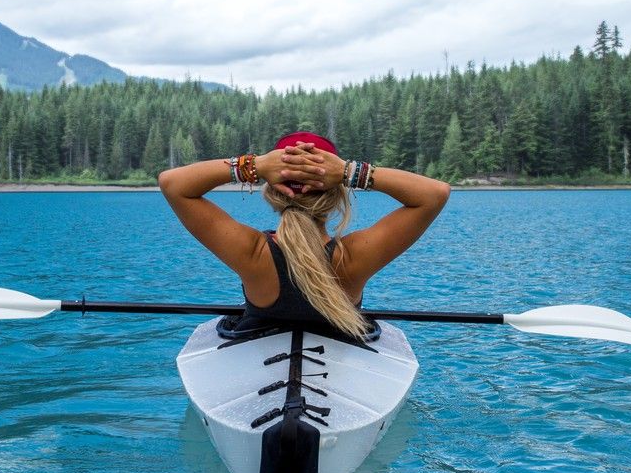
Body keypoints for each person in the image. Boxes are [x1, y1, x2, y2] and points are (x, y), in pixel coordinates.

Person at [158, 132, 450, 340]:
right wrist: (350, 171)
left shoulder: (251, 253)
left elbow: (172, 183)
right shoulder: (354, 257)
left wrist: (254, 165)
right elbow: (434, 194)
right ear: (337, 193)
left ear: (272, 191)